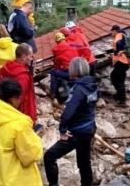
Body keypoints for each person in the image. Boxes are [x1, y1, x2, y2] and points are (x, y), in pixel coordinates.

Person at [44, 57, 99, 186]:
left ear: (74, 70)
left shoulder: (78, 89)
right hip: (90, 127)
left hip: (77, 131)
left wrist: (62, 129)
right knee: (84, 162)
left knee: (49, 156)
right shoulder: (93, 85)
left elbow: (68, 112)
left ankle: (53, 184)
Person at [0, 43, 36, 122]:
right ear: (24, 57)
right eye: (30, 56)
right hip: (21, 114)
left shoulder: (7, 67)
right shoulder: (23, 76)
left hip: (5, 109)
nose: (32, 59)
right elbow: (19, 98)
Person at [50, 32, 78, 103]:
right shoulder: (72, 44)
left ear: (56, 41)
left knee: (53, 72)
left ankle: (53, 94)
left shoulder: (55, 49)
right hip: (77, 70)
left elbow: (57, 64)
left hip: (69, 73)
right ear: (64, 38)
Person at [110, 25, 130, 107]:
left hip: (121, 61)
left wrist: (116, 52)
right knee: (118, 79)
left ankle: (122, 101)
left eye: (111, 31)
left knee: (116, 79)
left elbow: (117, 47)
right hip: (126, 62)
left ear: (115, 30)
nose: (111, 33)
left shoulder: (119, 36)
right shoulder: (124, 34)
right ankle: (119, 96)